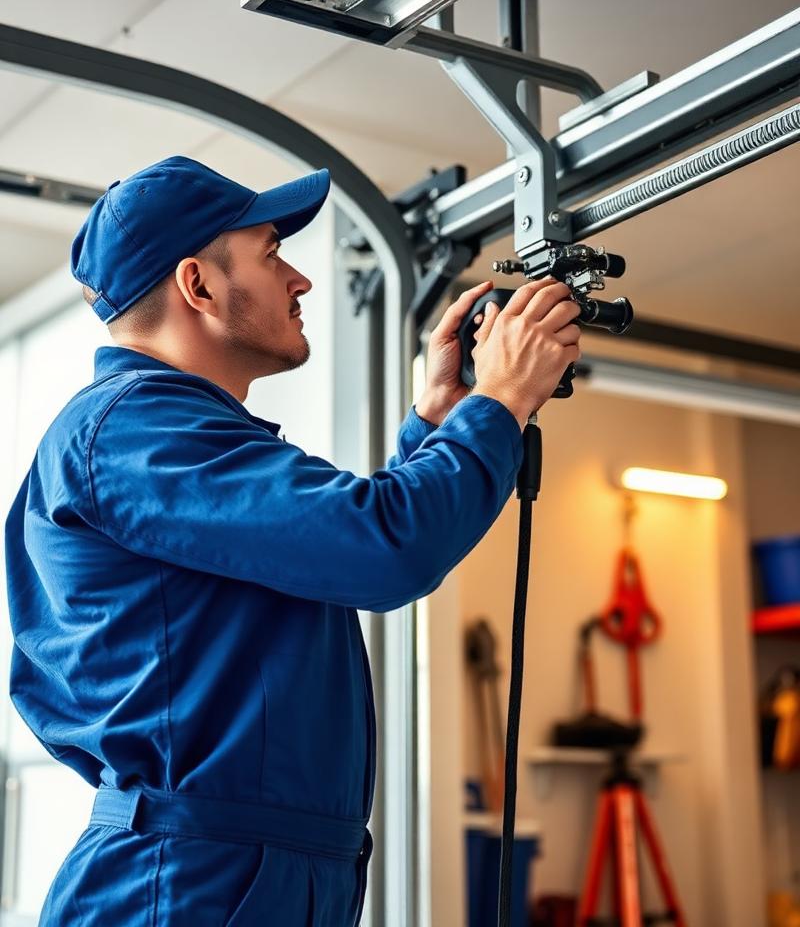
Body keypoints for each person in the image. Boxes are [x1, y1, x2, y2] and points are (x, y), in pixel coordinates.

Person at [4, 155, 580, 926]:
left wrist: (438, 426)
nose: (300, 280)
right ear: (198, 286)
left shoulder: (172, 434)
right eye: (273, 253)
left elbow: (347, 545)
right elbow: (387, 548)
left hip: (249, 869)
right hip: (186, 885)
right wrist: (501, 400)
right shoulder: (136, 430)